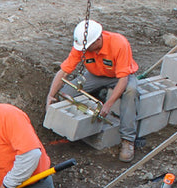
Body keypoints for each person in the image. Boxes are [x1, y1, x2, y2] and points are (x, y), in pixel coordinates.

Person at [46, 20, 139, 162]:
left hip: (119, 76)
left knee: (131, 91)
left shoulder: (119, 43)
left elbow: (123, 79)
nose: (85, 50)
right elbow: (64, 72)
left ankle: (128, 140)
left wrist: (109, 103)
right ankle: (74, 126)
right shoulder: (82, 46)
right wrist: (50, 96)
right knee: (66, 94)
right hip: (95, 75)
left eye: (88, 47)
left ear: (98, 39)